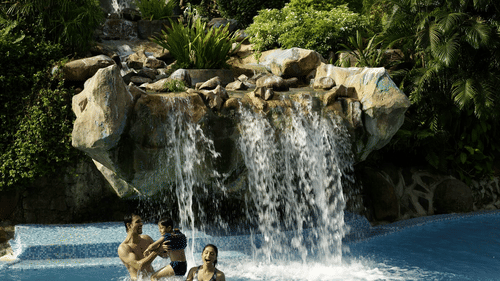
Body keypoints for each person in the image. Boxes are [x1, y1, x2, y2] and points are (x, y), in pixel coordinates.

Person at [117, 213, 168, 280]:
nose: (141, 224)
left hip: (152, 278)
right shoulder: (124, 248)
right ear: (129, 225)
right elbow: (139, 266)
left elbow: (165, 255)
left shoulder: (146, 239)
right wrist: (157, 251)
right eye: (137, 222)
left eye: (141, 221)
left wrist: (169, 241)